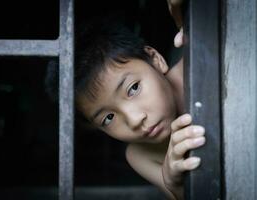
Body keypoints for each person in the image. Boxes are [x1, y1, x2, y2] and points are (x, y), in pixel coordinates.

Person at [45, 1, 205, 199]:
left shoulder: (201, 64)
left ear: (155, 59)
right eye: (108, 118)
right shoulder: (139, 154)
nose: (134, 119)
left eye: (133, 88)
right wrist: (174, 182)